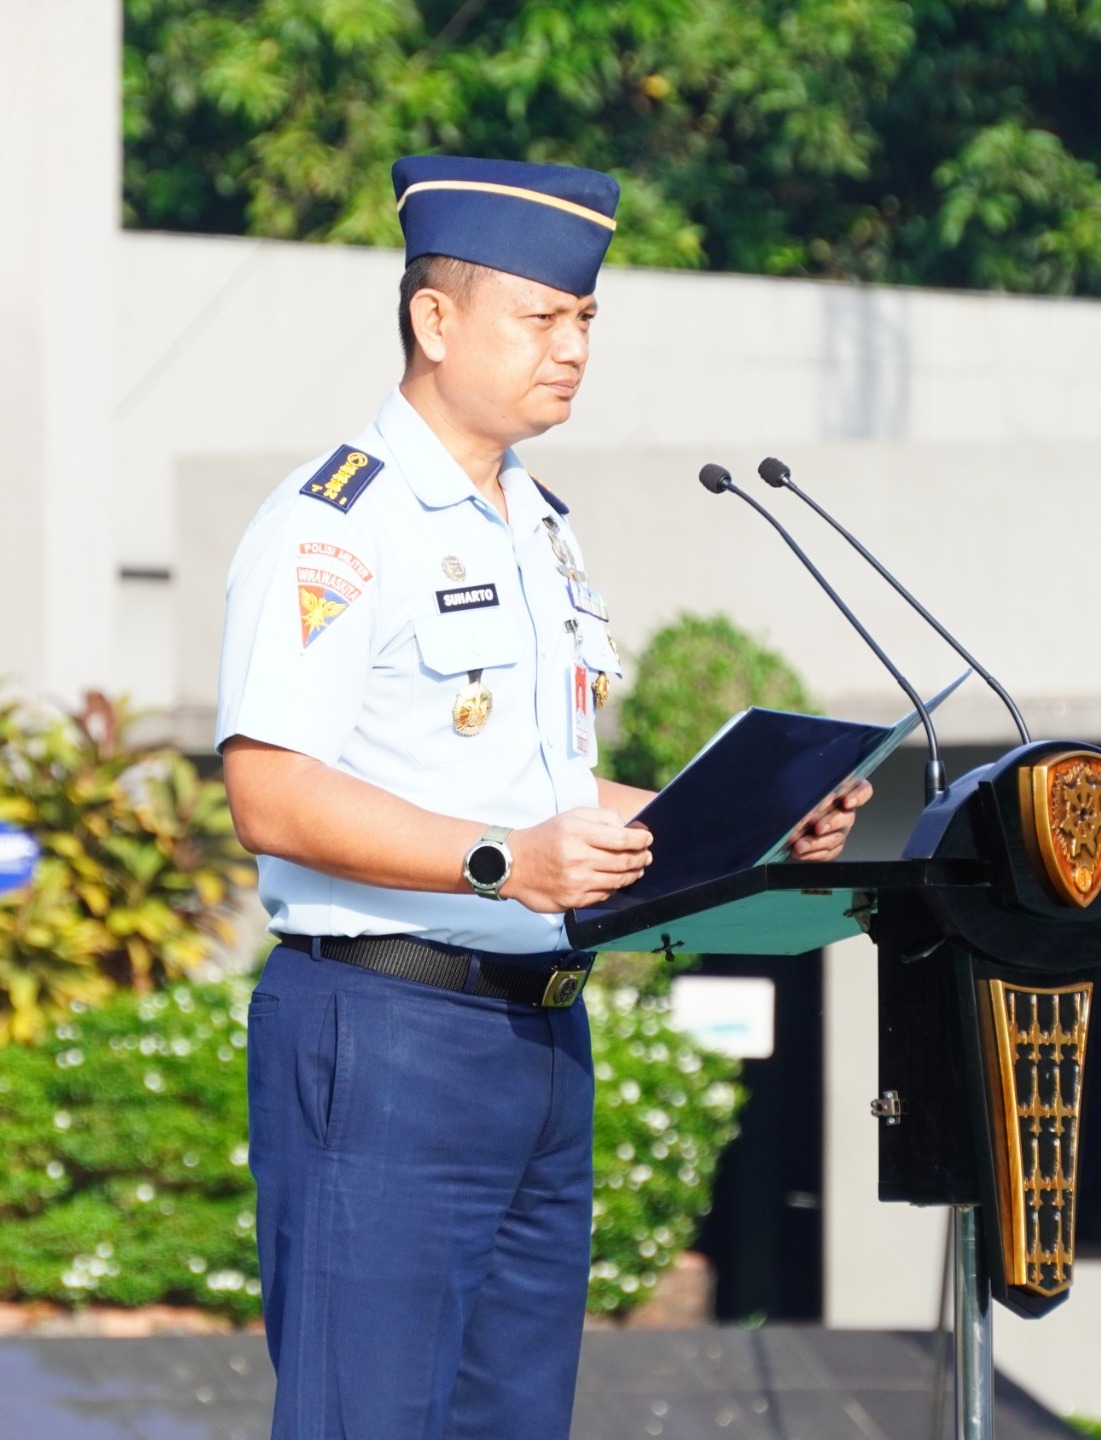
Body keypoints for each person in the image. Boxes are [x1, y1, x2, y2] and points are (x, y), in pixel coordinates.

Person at [215, 154, 872, 1440]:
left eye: (585, 319)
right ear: (435, 318)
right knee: (366, 1421)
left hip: (541, 1040)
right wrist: (499, 862)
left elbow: (545, 785)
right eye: (540, 317)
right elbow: (271, 791)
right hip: (386, 1028)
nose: (571, 347)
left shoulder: (537, 527)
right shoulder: (336, 524)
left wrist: (752, 828)